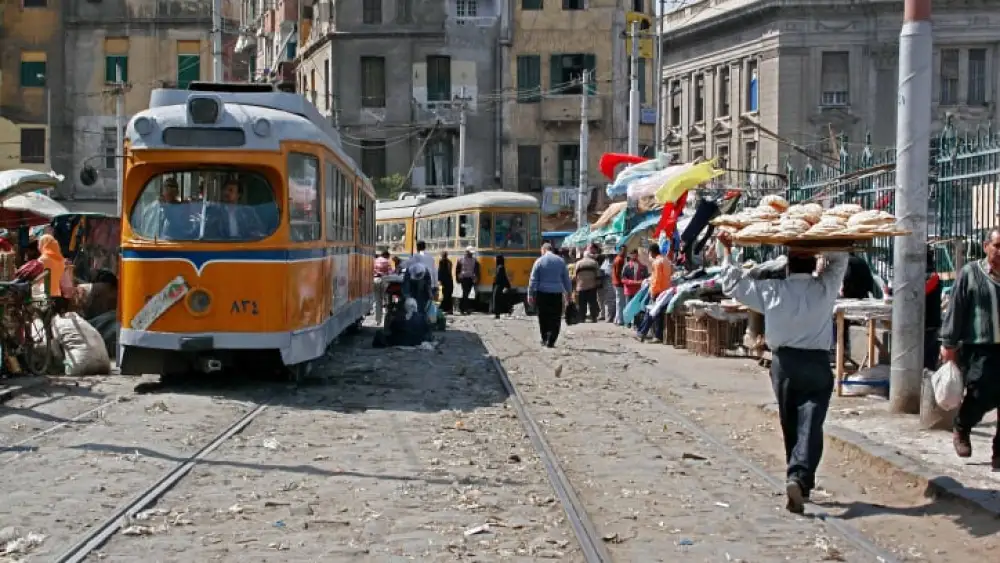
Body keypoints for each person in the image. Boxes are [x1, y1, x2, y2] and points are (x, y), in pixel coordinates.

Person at [718, 231, 848, 513]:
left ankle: (798, 478)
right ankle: (800, 478)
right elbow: (841, 258)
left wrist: (728, 250)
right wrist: (820, 239)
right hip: (817, 364)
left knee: (790, 422)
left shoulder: (771, 291)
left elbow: (732, 283)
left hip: (784, 365)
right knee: (811, 423)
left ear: (787, 265)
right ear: (814, 266)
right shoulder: (826, 288)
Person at [940, 228, 1000, 469]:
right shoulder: (971, 274)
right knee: (980, 394)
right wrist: (949, 344)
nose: (999, 252)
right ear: (986, 246)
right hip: (980, 347)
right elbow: (956, 309)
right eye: (997, 245)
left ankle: (999, 452)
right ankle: (963, 426)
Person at [528, 243, 572, 348]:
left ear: (543, 250)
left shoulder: (539, 261)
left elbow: (533, 280)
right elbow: (566, 279)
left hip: (542, 294)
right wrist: (569, 293)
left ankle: (544, 338)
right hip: (556, 294)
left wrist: (530, 294)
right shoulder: (560, 261)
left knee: (543, 317)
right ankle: (551, 340)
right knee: (555, 317)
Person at [636, 243, 673, 342]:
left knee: (651, 313)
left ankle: (642, 332)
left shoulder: (657, 262)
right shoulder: (666, 260)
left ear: (651, 252)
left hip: (658, 291)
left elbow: (657, 279)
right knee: (658, 314)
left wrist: (653, 291)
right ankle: (657, 335)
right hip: (666, 290)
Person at [924, 248, 942, 372]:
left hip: (928, 323)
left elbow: (922, 292)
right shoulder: (933, 276)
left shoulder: (933, 277)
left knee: (928, 360)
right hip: (929, 323)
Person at [573, 248, 601, 322]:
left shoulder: (578, 263)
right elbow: (598, 274)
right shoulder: (594, 262)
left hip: (581, 286)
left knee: (582, 303)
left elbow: (575, 275)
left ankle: (582, 318)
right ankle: (593, 317)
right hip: (592, 285)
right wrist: (598, 284)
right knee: (592, 302)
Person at [455, 247, 480, 315]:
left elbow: (476, 270)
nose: (471, 254)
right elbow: (457, 270)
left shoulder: (474, 260)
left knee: (467, 293)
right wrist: (458, 278)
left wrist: (476, 278)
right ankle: (463, 309)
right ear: (466, 252)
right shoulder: (460, 260)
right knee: (465, 293)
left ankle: (463, 308)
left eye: (472, 253)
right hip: (463, 278)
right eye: (470, 253)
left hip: (470, 279)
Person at [372, 250, 393, 326]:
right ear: (386, 255)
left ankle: (378, 320)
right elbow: (390, 273)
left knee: (378, 301)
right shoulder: (387, 262)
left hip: (375, 280)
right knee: (387, 300)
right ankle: (387, 320)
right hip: (384, 281)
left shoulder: (375, 260)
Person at [491, 255, 512, 319]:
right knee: (499, 300)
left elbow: (501, 278)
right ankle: (500, 313)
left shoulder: (500, 268)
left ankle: (497, 314)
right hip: (500, 286)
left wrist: (506, 285)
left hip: (499, 286)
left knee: (496, 300)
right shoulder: (500, 267)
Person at [611, 247, 627, 325]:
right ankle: (620, 319)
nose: (625, 252)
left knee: (619, 302)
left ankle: (617, 319)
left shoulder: (617, 258)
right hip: (619, 283)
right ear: (620, 251)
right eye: (624, 251)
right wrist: (623, 280)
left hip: (616, 282)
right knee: (621, 302)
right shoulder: (620, 259)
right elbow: (618, 273)